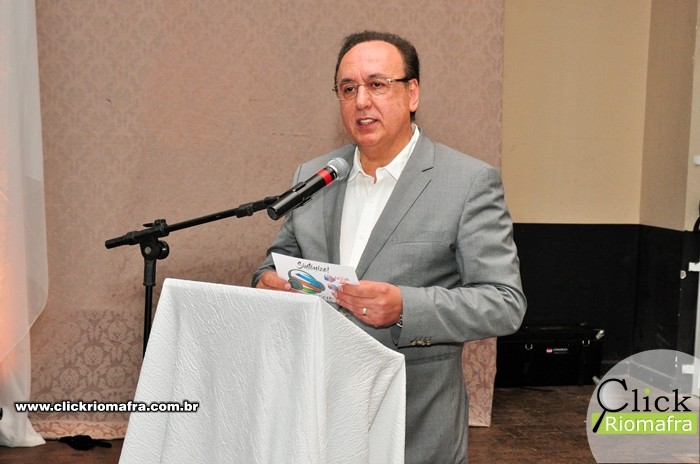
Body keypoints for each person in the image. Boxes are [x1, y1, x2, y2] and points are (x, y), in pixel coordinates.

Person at [253, 30, 526, 464]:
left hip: (414, 418)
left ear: (412, 93)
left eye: (377, 84)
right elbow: (276, 261)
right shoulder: (316, 176)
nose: (361, 101)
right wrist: (266, 280)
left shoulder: (468, 182)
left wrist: (405, 307)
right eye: (348, 89)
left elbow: (504, 303)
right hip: (317, 414)